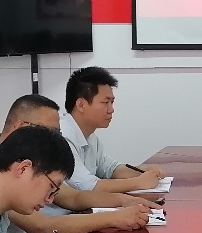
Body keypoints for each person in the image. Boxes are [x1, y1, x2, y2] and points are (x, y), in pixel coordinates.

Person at [0, 93, 156, 233]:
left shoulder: (32, 163)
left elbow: (73, 197)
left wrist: (124, 201)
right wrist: (114, 218)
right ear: (21, 128)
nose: (55, 140)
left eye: (58, 133)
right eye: (48, 132)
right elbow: (42, 227)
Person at [61, 66, 164, 194]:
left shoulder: (90, 137)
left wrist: (140, 171)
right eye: (105, 102)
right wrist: (138, 182)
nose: (111, 109)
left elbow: (111, 169)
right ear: (81, 105)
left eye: (112, 102)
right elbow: (87, 186)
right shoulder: (63, 136)